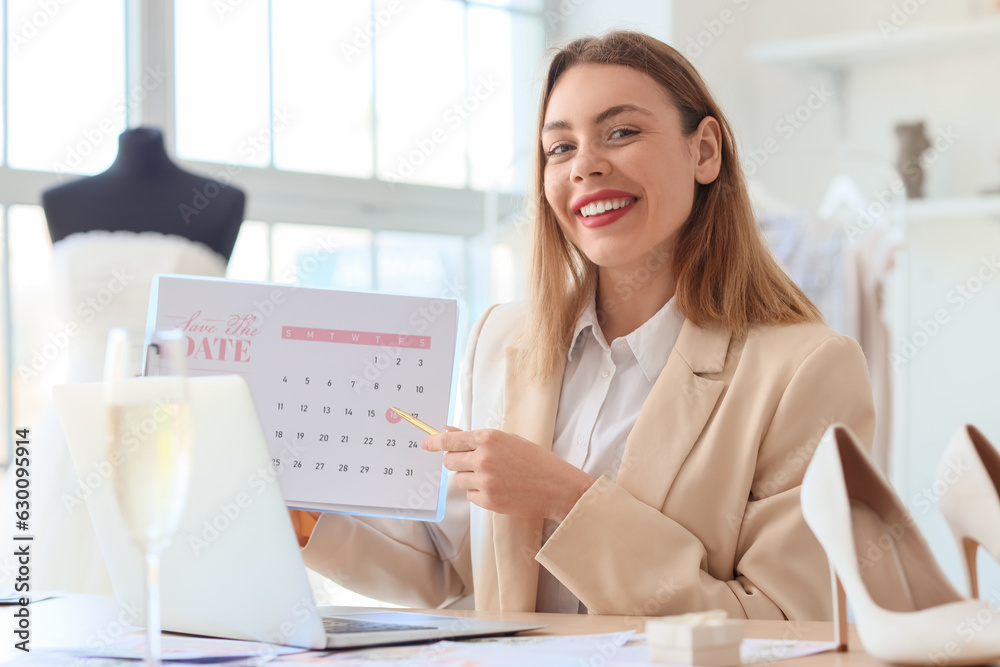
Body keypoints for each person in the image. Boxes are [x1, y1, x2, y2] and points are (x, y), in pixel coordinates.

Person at [292, 30, 875, 620]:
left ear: (704, 152)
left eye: (621, 132)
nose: (586, 167)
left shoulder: (806, 368)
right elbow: (453, 562)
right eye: (560, 148)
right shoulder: (501, 340)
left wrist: (565, 499)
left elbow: (789, 626)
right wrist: (299, 515)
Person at [2, 127, 244, 596]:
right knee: (59, 598)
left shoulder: (224, 203)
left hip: (176, 425)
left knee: (190, 597)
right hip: (75, 435)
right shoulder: (60, 200)